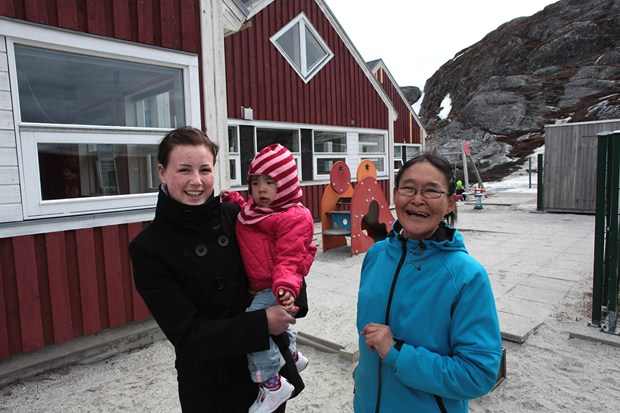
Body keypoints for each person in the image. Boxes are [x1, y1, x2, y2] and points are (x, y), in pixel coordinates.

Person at [128, 127, 306, 413]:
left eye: (205, 169)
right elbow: (188, 336)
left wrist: (289, 297)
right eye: (184, 170)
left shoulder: (237, 216)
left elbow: (287, 265)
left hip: (267, 377)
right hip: (212, 387)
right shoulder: (149, 248)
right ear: (162, 172)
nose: (196, 181)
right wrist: (262, 323)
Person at [353, 149, 503, 413]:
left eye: (432, 191)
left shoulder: (467, 276)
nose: (417, 199)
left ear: (450, 203)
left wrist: (397, 353)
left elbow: (478, 374)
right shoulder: (376, 256)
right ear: (395, 195)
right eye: (408, 188)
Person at [221, 143, 317, 413]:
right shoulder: (258, 211)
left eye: (270, 182)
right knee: (274, 325)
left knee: (255, 325)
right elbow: (249, 215)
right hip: (263, 283)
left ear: (285, 184)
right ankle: (293, 355)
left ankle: (272, 384)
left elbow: (290, 257)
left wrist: (285, 286)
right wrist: (236, 200)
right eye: (255, 182)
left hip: (275, 284)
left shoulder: (293, 217)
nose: (261, 189)